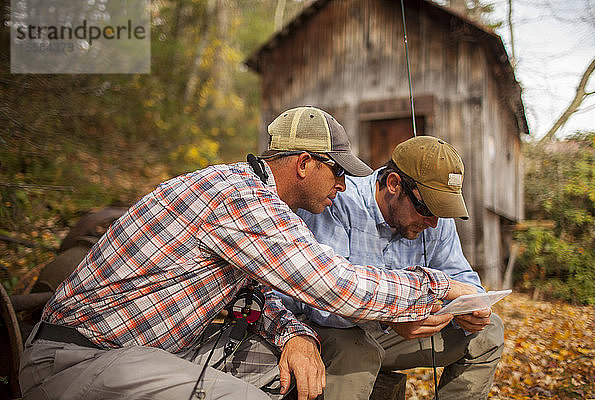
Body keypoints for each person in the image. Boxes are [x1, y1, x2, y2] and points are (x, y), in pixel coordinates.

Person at [19, 107, 477, 400]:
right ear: (304, 164)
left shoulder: (249, 194)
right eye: (337, 173)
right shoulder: (238, 201)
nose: (342, 186)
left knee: (304, 375)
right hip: (77, 359)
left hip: (149, 350)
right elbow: (338, 285)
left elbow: (256, 293)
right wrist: (437, 288)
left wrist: (295, 336)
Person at [280, 136, 505, 400]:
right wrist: (391, 314)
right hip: (332, 328)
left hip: (395, 332)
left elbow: (462, 277)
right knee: (358, 350)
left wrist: (473, 306)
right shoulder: (338, 200)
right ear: (394, 184)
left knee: (488, 332)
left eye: (441, 212)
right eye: (427, 209)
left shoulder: (436, 221)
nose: (433, 223)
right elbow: (323, 300)